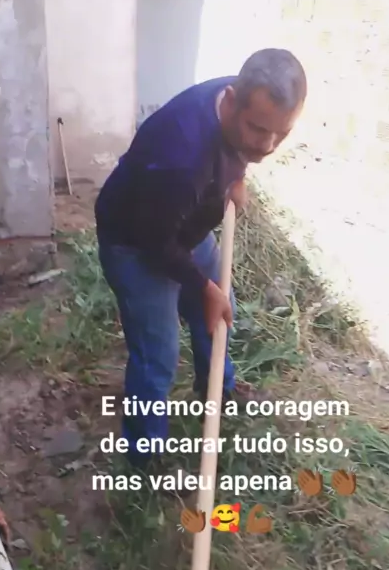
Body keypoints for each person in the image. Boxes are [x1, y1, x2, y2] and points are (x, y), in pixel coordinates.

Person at [94, 48, 307, 470]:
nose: (267, 145)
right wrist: (202, 286)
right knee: (158, 354)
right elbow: (155, 241)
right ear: (231, 101)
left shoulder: (244, 101)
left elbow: (242, 147)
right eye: (257, 130)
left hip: (184, 224)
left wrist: (237, 175)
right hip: (136, 241)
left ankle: (218, 390)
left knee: (218, 313)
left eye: (280, 134)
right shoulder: (182, 156)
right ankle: (145, 456)